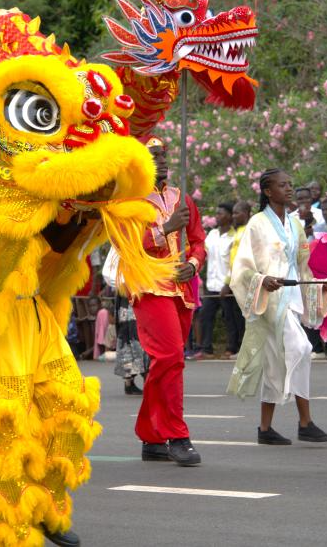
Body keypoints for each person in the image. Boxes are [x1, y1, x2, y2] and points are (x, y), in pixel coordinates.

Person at [228, 168, 327, 446]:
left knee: (277, 362)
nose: (289, 189)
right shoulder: (256, 224)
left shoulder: (295, 225)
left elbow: (302, 266)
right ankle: (305, 421)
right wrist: (262, 280)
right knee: (302, 348)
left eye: (290, 184)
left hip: (291, 298)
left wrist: (319, 285)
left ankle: (267, 428)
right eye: (282, 185)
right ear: (267, 191)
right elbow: (241, 268)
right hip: (269, 301)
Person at [134, 137, 206, 467]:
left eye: (163, 156)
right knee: (171, 357)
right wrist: (164, 229)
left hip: (182, 288)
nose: (161, 161)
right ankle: (177, 435)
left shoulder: (182, 198)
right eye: (152, 157)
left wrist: (193, 264)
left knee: (166, 362)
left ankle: (150, 435)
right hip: (150, 287)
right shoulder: (129, 202)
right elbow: (129, 247)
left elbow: (198, 241)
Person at [197, 202, 236, 359]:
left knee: (229, 318)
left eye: (220, 213)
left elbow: (235, 262)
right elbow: (203, 254)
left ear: (229, 216)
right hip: (211, 285)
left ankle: (231, 347)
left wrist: (228, 284)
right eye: (217, 213)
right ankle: (206, 349)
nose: (217, 216)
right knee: (205, 316)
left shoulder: (234, 236)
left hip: (226, 286)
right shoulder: (212, 234)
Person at [223, 200, 251, 356]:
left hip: (246, 279)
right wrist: (228, 281)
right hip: (236, 280)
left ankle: (245, 348)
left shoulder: (250, 230)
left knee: (245, 316)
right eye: (233, 213)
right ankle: (241, 347)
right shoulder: (238, 231)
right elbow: (233, 259)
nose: (234, 216)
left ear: (247, 213)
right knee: (236, 316)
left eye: (237, 213)